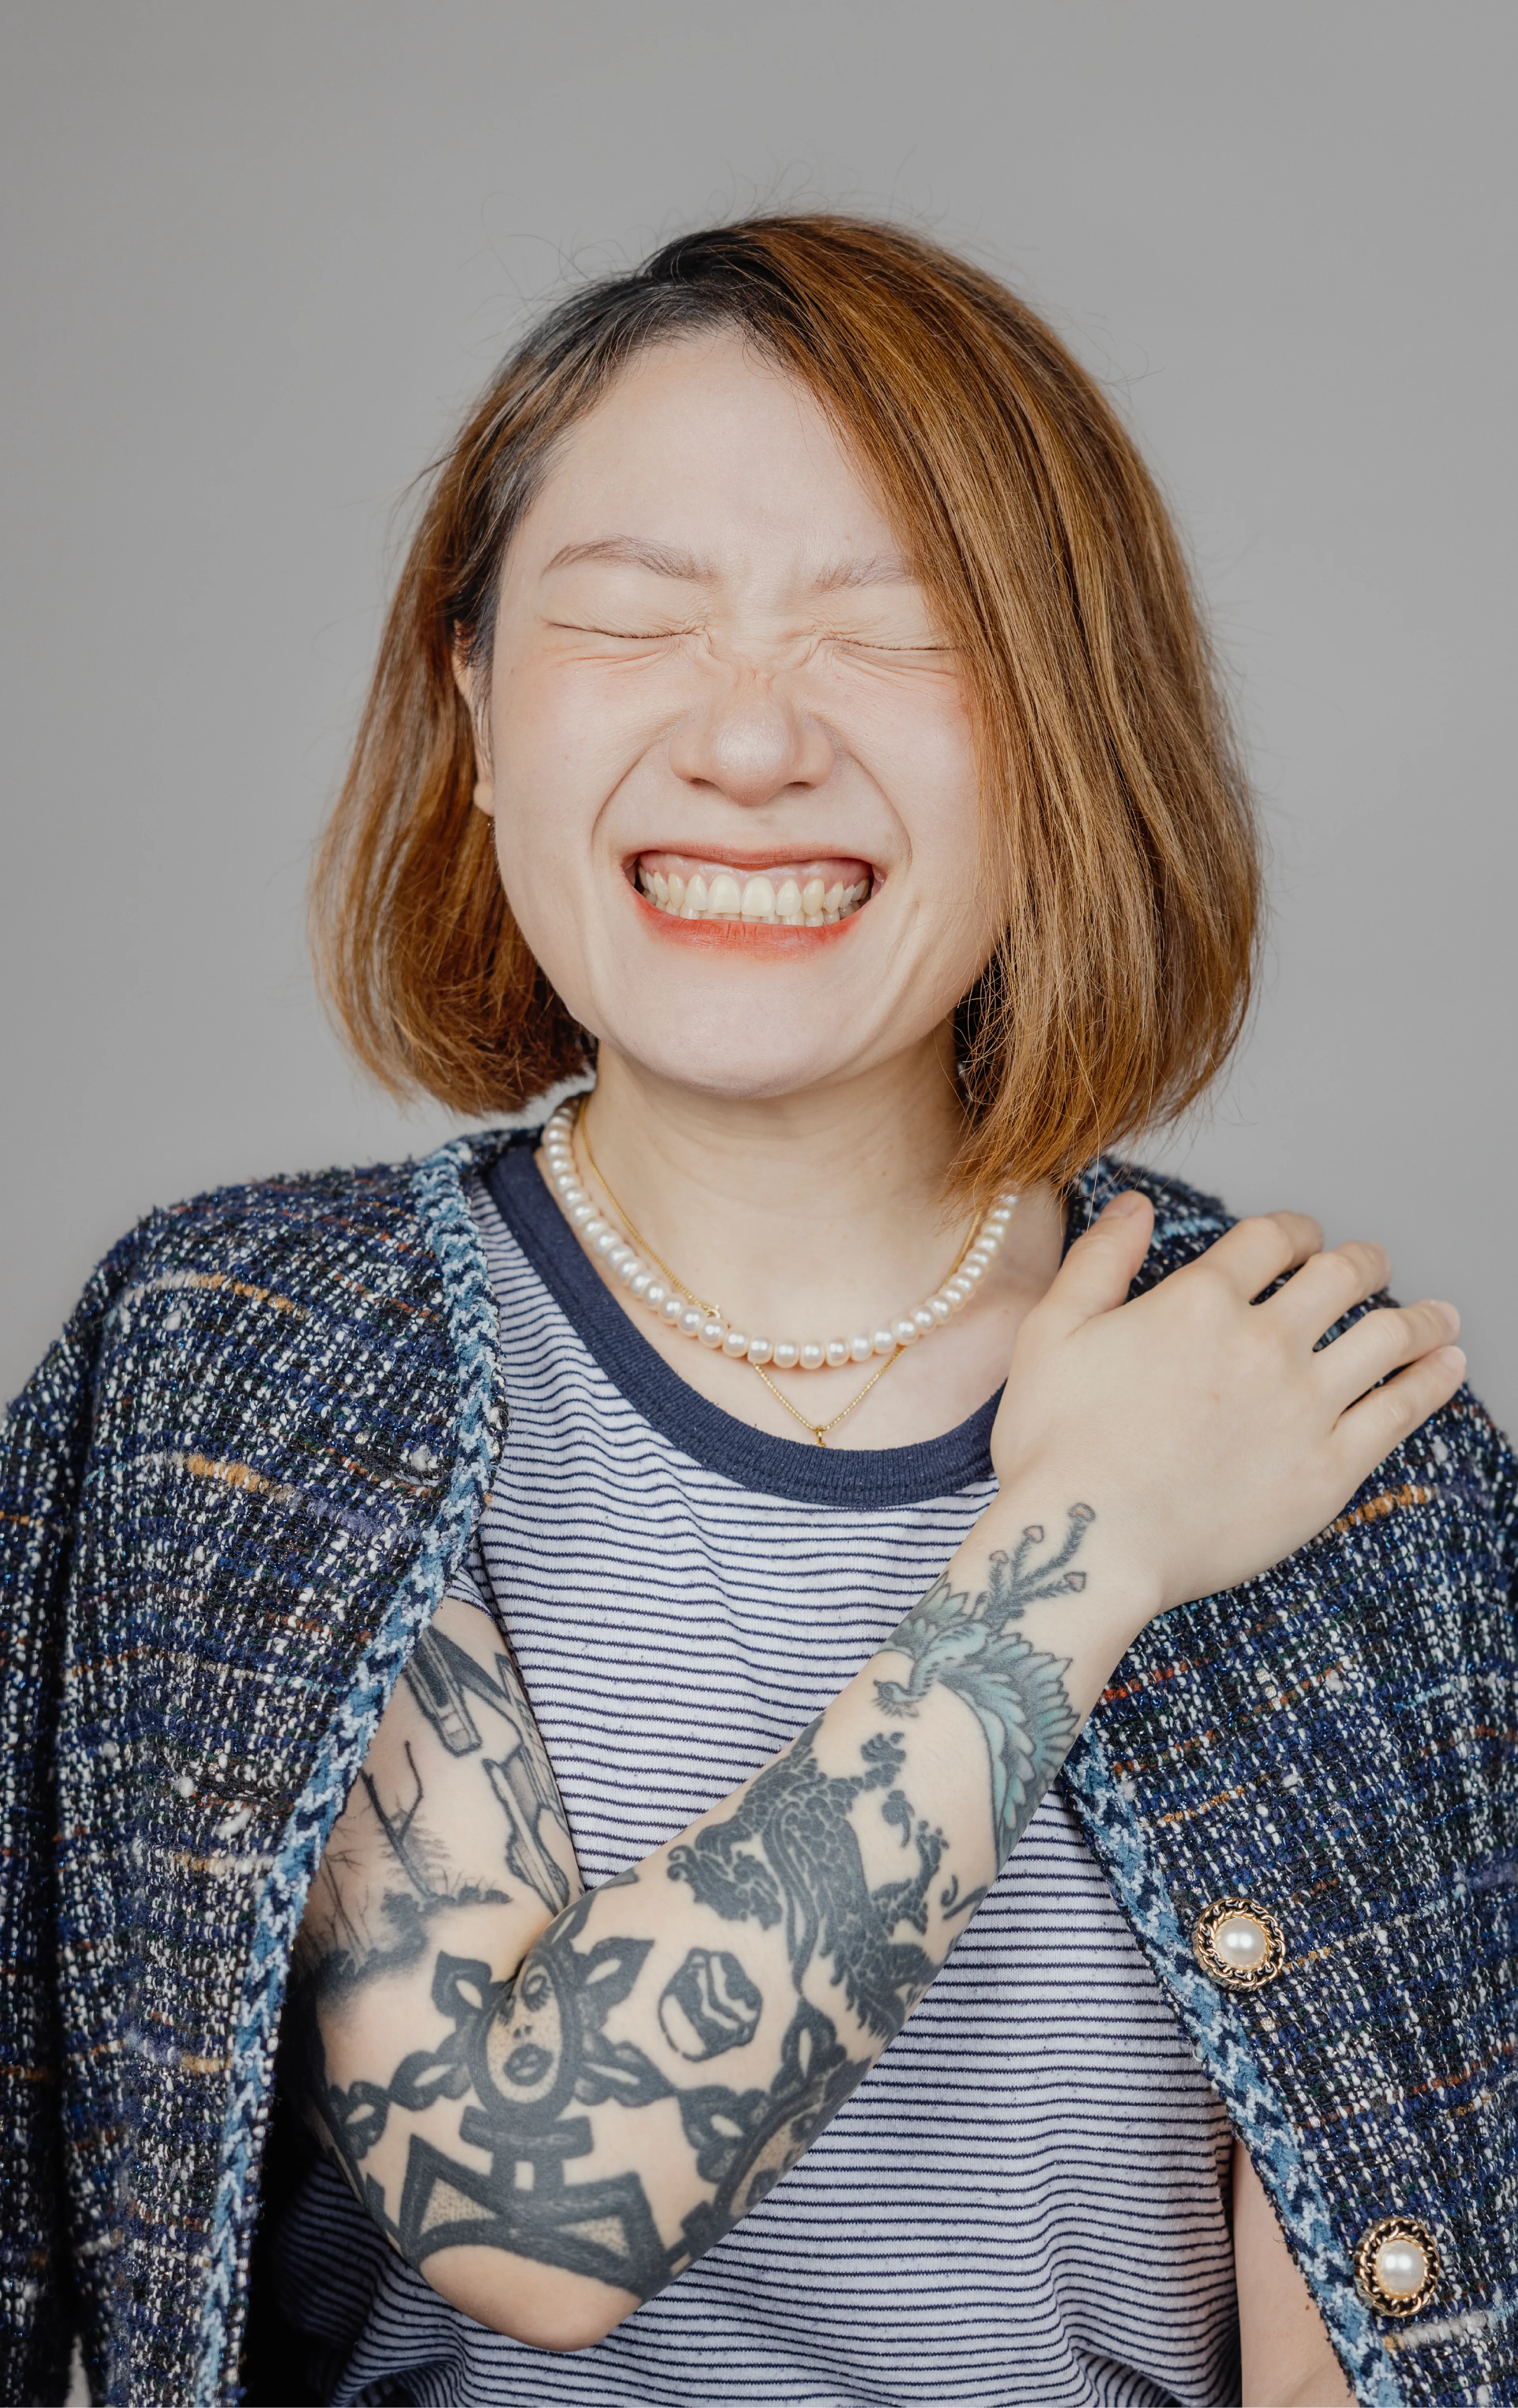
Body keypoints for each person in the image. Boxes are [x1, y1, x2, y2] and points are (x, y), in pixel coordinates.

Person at [0, 219, 1509, 2408]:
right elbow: (525, 2199)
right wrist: (1081, 1546)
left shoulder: (1321, 1424)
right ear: (479, 707)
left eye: (889, 644)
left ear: (1063, 739)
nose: (747, 738)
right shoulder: (248, 1374)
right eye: (627, 622)